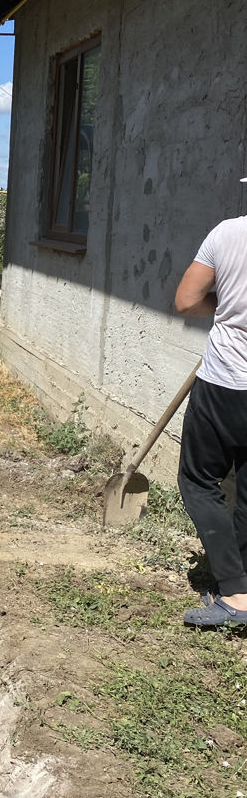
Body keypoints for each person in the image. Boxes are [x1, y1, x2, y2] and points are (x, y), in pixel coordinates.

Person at [174, 208, 247, 626]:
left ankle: (236, 593)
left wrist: (225, 301)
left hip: (226, 383)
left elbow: (186, 300)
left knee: (199, 481)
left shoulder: (228, 233)